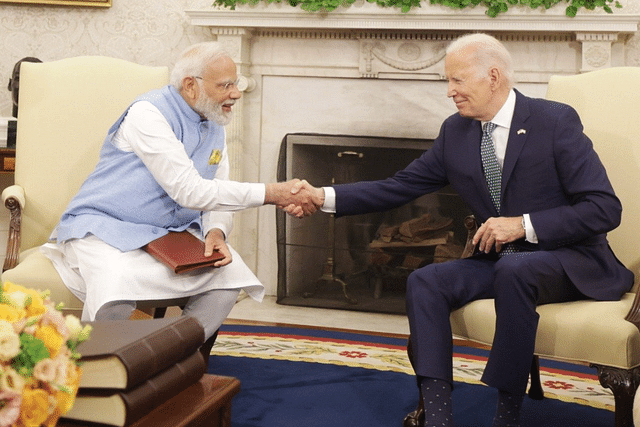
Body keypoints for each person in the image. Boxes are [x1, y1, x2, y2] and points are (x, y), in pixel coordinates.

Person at [289, 33, 634, 427]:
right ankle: (437, 415)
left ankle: (507, 415)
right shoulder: (457, 132)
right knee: (426, 281)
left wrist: (522, 225)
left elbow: (605, 208)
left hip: (572, 262)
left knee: (515, 269)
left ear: (493, 76)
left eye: (457, 81)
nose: (449, 92)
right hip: (505, 264)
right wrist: (322, 196)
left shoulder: (554, 121)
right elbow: (399, 186)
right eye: (447, 82)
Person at [40, 42, 317, 352]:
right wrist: (272, 193)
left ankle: (173, 356)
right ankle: (101, 369)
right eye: (226, 85)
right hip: (106, 227)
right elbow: (189, 190)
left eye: (235, 84)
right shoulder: (148, 113)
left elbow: (218, 187)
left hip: (169, 236)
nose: (236, 94)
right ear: (191, 86)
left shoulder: (215, 121)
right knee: (114, 288)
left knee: (228, 276)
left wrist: (216, 231)